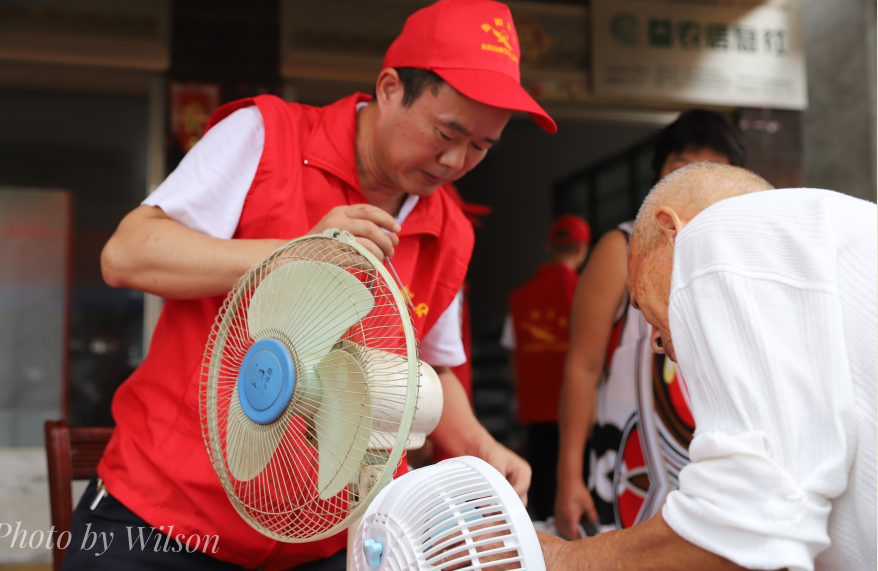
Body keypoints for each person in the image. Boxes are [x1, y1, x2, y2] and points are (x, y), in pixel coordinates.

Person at [62, 1, 556, 569]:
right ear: (391, 88)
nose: (454, 160)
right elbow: (126, 254)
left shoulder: (451, 230)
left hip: (322, 539)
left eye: (480, 148)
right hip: (165, 518)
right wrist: (296, 253)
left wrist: (482, 450)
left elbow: (429, 372)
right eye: (447, 132)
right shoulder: (265, 137)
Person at [538, 163, 877, 570]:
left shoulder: (714, 236)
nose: (657, 342)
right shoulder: (836, 229)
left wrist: (558, 558)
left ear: (671, 230)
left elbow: (745, 527)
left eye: (639, 304)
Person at [553, 109, 745, 538]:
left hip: (719, 463)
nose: (696, 182)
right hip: (629, 463)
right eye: (683, 168)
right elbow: (583, 366)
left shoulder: (741, 256)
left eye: (712, 170)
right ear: (659, 173)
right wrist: (569, 475)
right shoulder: (618, 248)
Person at [500, 214, 591, 521]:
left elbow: (513, 351)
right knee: (578, 483)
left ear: (550, 246)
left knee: (540, 488)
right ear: (582, 249)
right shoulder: (586, 293)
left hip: (535, 408)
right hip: (578, 411)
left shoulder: (520, 296)